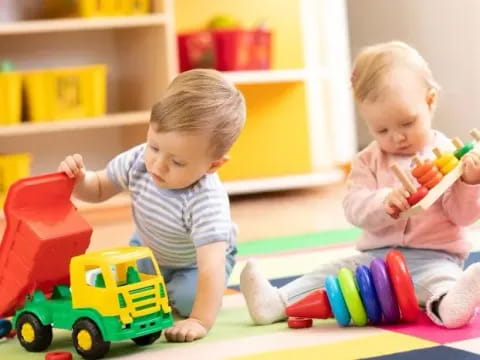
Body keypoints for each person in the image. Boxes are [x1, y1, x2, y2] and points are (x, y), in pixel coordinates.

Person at [239, 41, 480, 329]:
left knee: (440, 282)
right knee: (330, 273)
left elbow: (463, 217)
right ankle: (277, 302)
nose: (397, 137)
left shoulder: (449, 157)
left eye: (406, 123)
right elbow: (353, 208)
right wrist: (383, 201)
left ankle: (449, 306)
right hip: (374, 259)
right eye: (381, 129)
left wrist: (469, 183)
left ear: (430, 101)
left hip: (434, 257)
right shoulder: (368, 161)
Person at [58, 69, 246, 342]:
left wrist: (199, 320)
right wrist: (79, 179)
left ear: (213, 165)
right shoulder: (137, 161)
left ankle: (175, 294)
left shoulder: (207, 201)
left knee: (187, 297)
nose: (157, 165)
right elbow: (98, 188)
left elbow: (210, 268)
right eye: (154, 147)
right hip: (147, 253)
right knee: (101, 286)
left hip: (195, 263)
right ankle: (160, 288)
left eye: (178, 162)